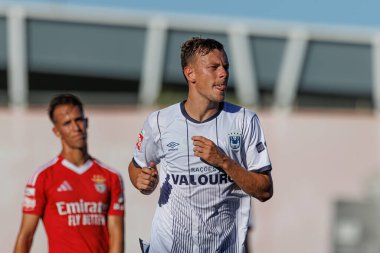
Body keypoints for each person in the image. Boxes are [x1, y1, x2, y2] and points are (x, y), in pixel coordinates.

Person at [128, 37, 273, 252]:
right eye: (214, 67)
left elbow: (265, 190)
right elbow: (136, 166)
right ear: (190, 73)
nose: (223, 74)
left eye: (225, 67)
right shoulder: (159, 121)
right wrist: (141, 180)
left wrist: (224, 161)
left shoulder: (244, 121)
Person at [13, 94, 125, 253]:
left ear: (86, 122)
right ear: (56, 131)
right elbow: (26, 235)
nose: (76, 127)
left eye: (79, 120)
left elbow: (116, 235)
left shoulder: (111, 177)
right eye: (67, 123)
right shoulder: (42, 178)